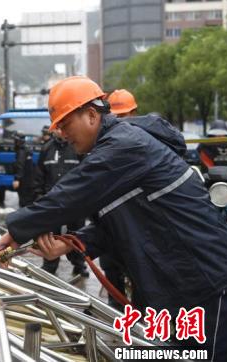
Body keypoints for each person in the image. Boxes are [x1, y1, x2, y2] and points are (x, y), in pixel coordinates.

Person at [0, 76, 227, 360]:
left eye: (65, 123)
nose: (62, 134)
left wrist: (15, 230)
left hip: (207, 282)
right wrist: (71, 243)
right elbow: (114, 224)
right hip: (176, 289)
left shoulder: (124, 145)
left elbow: (70, 196)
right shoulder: (111, 153)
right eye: (58, 126)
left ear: (91, 115)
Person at [100, 88, 140, 309]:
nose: (119, 122)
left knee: (143, 287)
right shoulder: (102, 147)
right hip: (110, 229)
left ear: (133, 114)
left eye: (123, 116)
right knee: (113, 287)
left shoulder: (145, 144)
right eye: (115, 117)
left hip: (138, 231)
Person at [34, 125, 88, 277]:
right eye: (56, 128)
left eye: (61, 128)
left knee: (76, 235)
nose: (59, 131)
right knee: (50, 236)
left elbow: (87, 173)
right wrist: (39, 198)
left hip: (75, 202)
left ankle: (79, 265)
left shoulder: (77, 146)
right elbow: (39, 176)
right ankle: (49, 266)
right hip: (52, 203)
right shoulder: (46, 149)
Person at [12, 131, 35, 207]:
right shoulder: (27, 149)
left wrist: (17, 179)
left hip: (24, 182)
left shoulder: (21, 151)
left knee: (24, 202)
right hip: (30, 180)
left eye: (15, 140)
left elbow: (20, 165)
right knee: (29, 201)